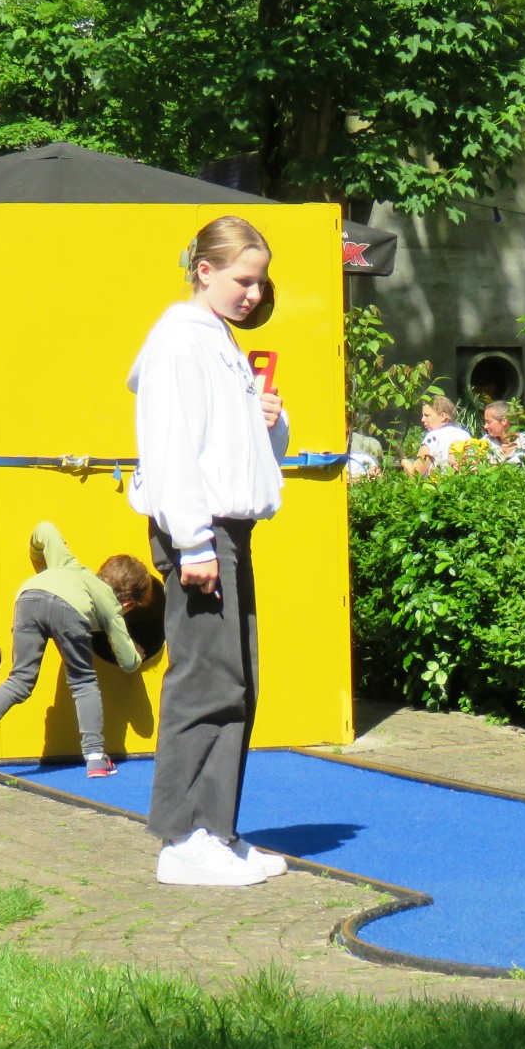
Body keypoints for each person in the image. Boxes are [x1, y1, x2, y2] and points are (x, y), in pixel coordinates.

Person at [128, 215, 292, 887]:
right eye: (242, 279)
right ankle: (185, 838)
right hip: (202, 533)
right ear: (205, 271)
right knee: (205, 681)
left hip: (227, 530)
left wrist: (268, 425)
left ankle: (215, 829)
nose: (253, 293)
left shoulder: (216, 341)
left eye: (259, 281)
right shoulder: (179, 342)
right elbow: (168, 449)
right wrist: (193, 542)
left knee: (235, 680)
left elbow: (235, 453)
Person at [0, 523, 151, 777]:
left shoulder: (68, 564)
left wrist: (41, 567)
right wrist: (137, 652)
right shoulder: (112, 605)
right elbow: (128, 662)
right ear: (128, 602)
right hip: (70, 610)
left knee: (20, 680)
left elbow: (44, 529)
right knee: (83, 682)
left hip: (29, 595)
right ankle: (96, 757)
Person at [405, 394, 471, 473]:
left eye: (427, 415)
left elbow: (415, 474)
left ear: (442, 416)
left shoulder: (433, 437)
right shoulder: (464, 435)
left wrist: (402, 459)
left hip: (438, 483)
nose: (422, 419)